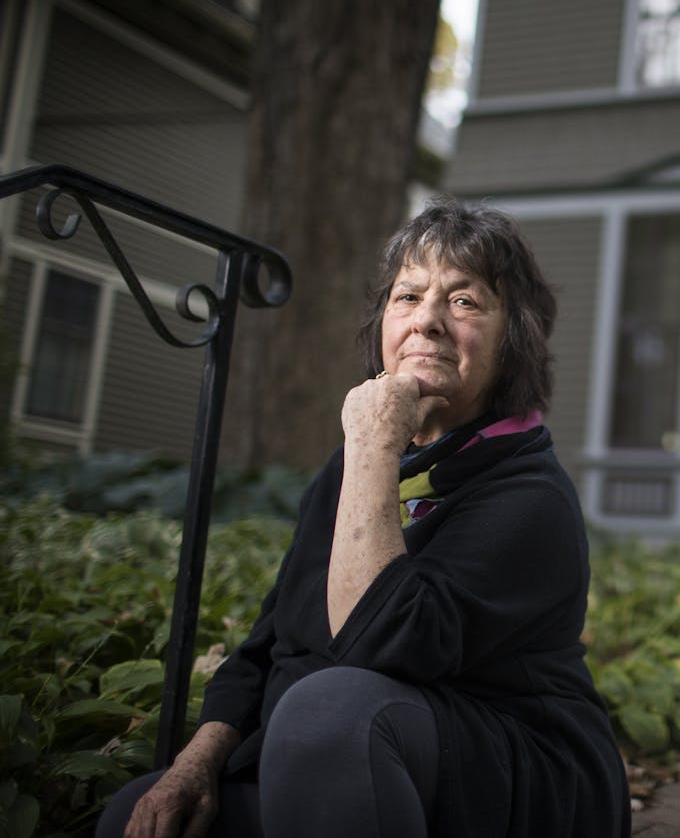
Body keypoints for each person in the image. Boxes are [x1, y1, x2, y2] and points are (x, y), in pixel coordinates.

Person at [97, 201, 632, 837]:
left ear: (512, 340)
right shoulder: (355, 467)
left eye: (464, 302)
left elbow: (378, 645)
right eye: (408, 296)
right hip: (340, 766)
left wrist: (374, 446)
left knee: (330, 709)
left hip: (511, 784)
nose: (427, 321)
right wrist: (196, 763)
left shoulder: (528, 493)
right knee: (133, 815)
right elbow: (273, 640)